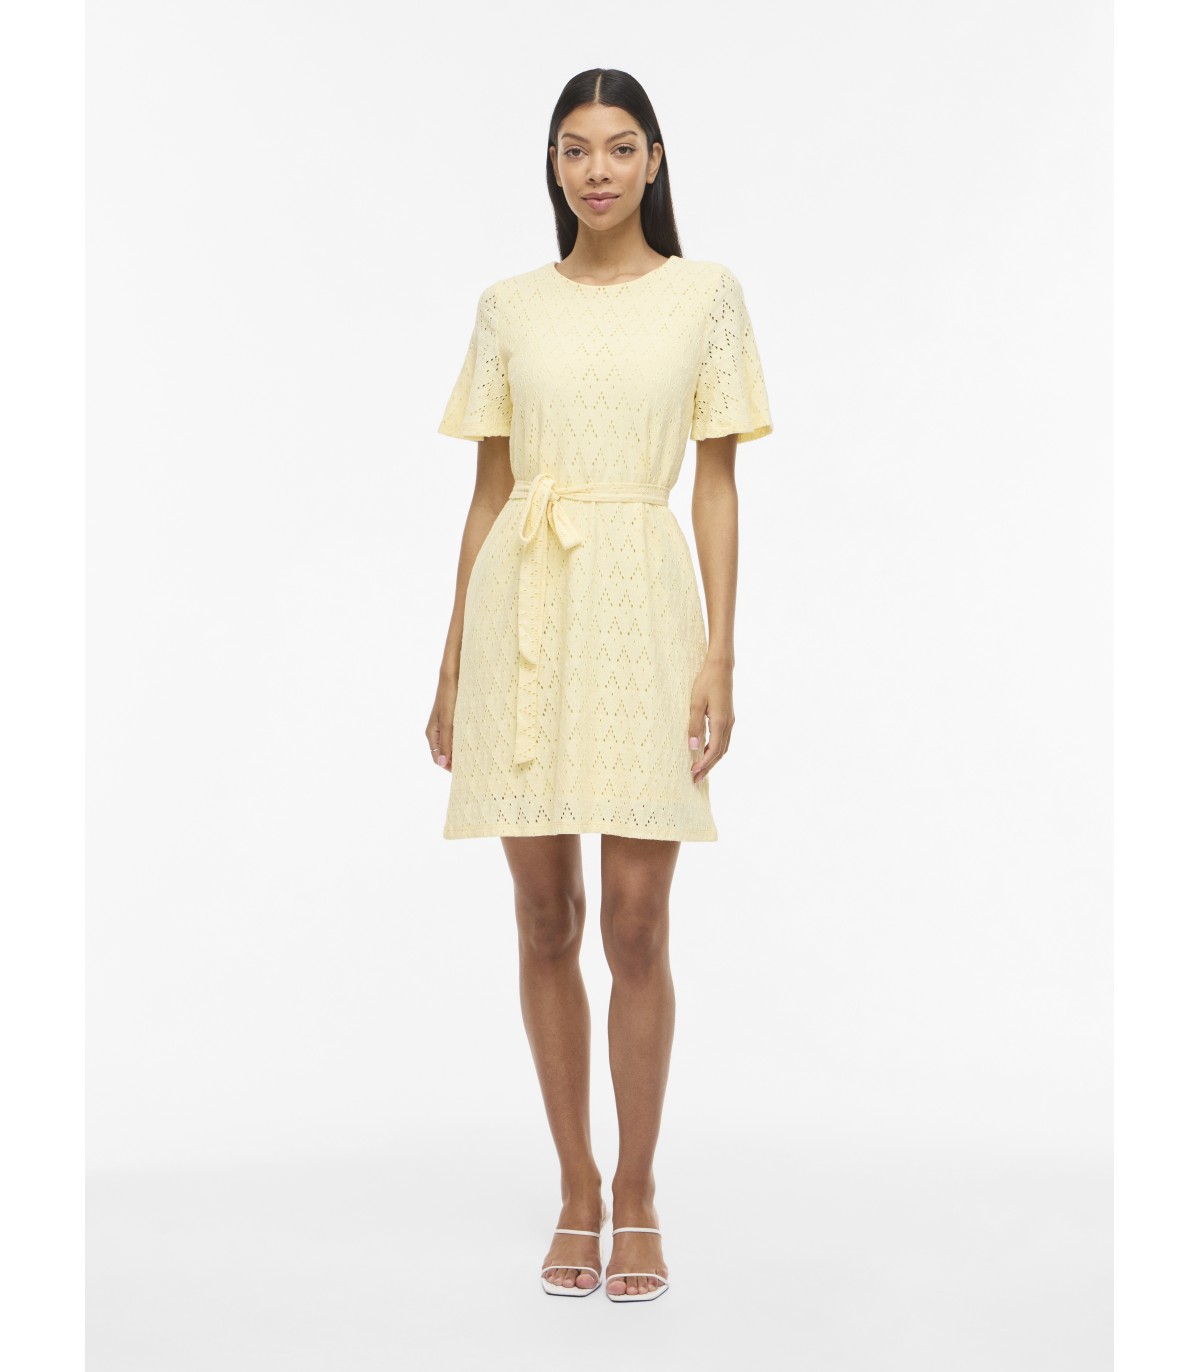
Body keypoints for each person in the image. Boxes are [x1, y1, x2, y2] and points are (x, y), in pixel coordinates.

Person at [426, 68, 773, 1303]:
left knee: (634, 919)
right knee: (544, 918)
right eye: (575, 148)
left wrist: (720, 651)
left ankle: (640, 1188)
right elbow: (488, 492)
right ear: (554, 164)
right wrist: (452, 658)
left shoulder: (706, 295)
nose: (598, 170)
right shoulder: (509, 306)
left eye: (621, 147)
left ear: (655, 160)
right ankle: (577, 1185)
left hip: (642, 597)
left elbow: (718, 482)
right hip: (522, 608)